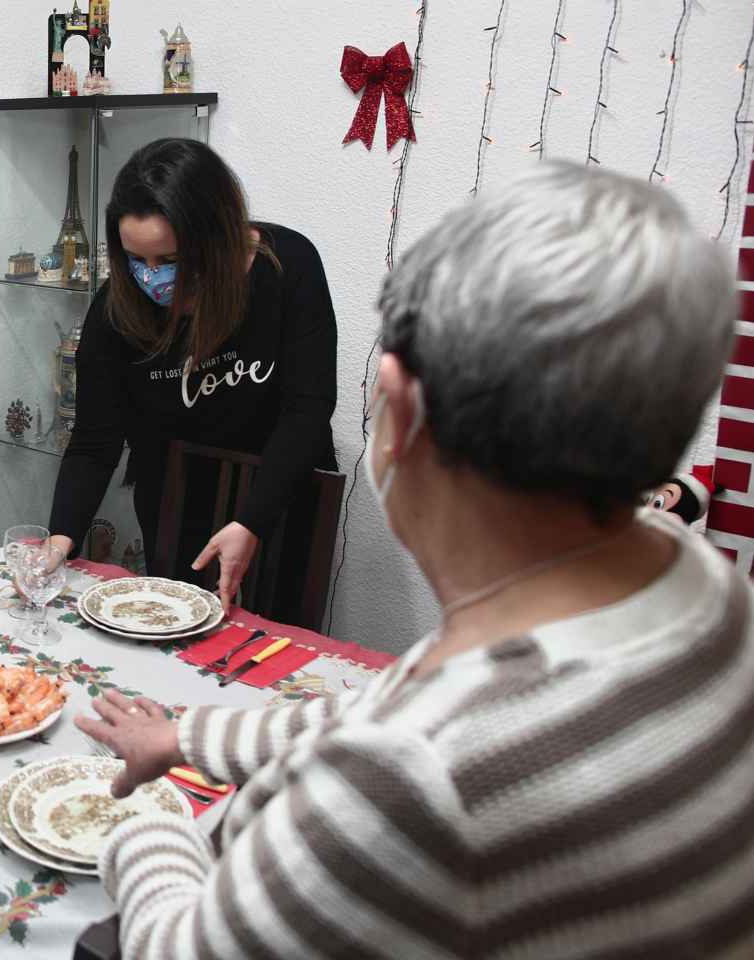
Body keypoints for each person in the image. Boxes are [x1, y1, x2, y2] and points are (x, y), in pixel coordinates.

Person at [76, 164, 752, 958]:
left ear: (402, 407)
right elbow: (386, 708)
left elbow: (180, 949)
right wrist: (186, 735)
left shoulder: (411, 778)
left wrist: (143, 830)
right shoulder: (699, 577)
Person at [47, 139, 336, 617]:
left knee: (272, 657)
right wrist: (60, 539)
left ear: (216, 237)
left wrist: (252, 520)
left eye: (171, 260)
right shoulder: (115, 309)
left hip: (279, 491)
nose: (152, 276)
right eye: (137, 260)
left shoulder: (288, 268)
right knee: (179, 650)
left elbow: (308, 408)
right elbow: (94, 442)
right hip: (174, 502)